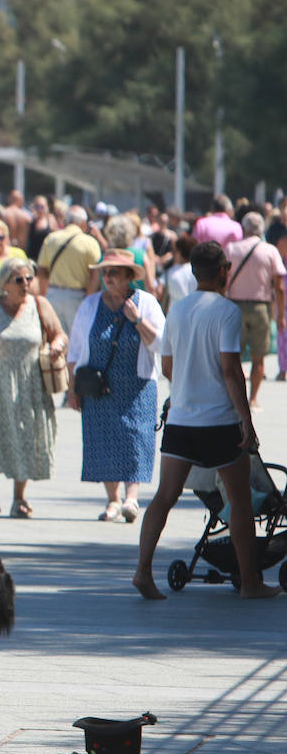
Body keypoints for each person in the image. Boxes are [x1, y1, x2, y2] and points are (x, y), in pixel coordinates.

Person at [134, 242, 279, 600]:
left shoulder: (178, 310)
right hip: (219, 422)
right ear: (224, 270)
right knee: (240, 500)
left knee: (164, 497)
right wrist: (247, 421)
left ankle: (142, 571)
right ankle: (250, 582)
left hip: (181, 420)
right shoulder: (227, 312)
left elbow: (168, 367)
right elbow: (231, 369)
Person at [65, 249, 165, 523]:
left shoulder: (146, 303)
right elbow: (74, 351)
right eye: (104, 272)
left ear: (129, 277)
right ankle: (113, 500)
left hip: (137, 386)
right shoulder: (90, 304)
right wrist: (73, 389)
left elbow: (161, 344)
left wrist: (136, 319)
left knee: (136, 438)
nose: (107, 277)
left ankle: (131, 498)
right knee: (104, 439)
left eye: (114, 273)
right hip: (99, 385)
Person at [0, 257, 65, 518]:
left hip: (30, 385)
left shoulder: (39, 305)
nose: (26, 284)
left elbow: (59, 334)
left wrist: (57, 346)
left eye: (30, 278)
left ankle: (19, 497)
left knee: (25, 438)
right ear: (5, 283)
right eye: (19, 279)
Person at [224, 212, 285, 408]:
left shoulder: (231, 249)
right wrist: (281, 314)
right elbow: (279, 286)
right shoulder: (269, 250)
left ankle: (235, 397)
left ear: (244, 228)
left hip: (234, 307)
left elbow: (223, 279)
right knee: (259, 358)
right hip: (261, 307)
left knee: (233, 357)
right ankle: (253, 399)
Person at [36, 205, 103, 335]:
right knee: (77, 341)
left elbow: (42, 271)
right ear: (83, 224)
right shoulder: (90, 242)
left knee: (54, 339)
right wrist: (89, 297)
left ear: (65, 221)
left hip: (53, 294)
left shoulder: (51, 239)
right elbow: (96, 273)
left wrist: (44, 294)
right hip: (78, 297)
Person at [163, 235, 198, 309]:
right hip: (195, 311)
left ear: (179, 252)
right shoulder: (199, 271)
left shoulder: (172, 271)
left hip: (175, 313)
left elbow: (161, 292)